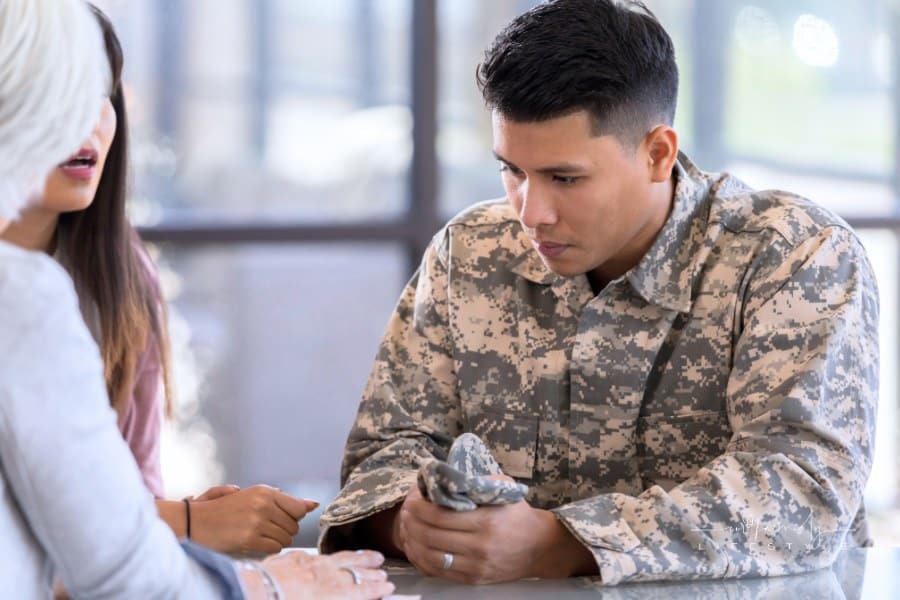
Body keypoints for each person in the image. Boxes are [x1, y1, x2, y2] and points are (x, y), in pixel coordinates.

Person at [319, 0, 879, 587]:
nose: (531, 212)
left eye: (565, 178)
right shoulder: (470, 253)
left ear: (657, 153)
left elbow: (803, 493)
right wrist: (411, 525)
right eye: (511, 170)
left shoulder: (795, 255)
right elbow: (380, 457)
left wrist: (559, 544)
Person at [0, 0, 395, 597]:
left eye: (100, 93)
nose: (84, 122)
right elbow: (109, 562)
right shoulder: (25, 301)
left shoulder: (122, 278)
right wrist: (244, 570)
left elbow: (111, 509)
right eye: (56, 92)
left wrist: (180, 524)